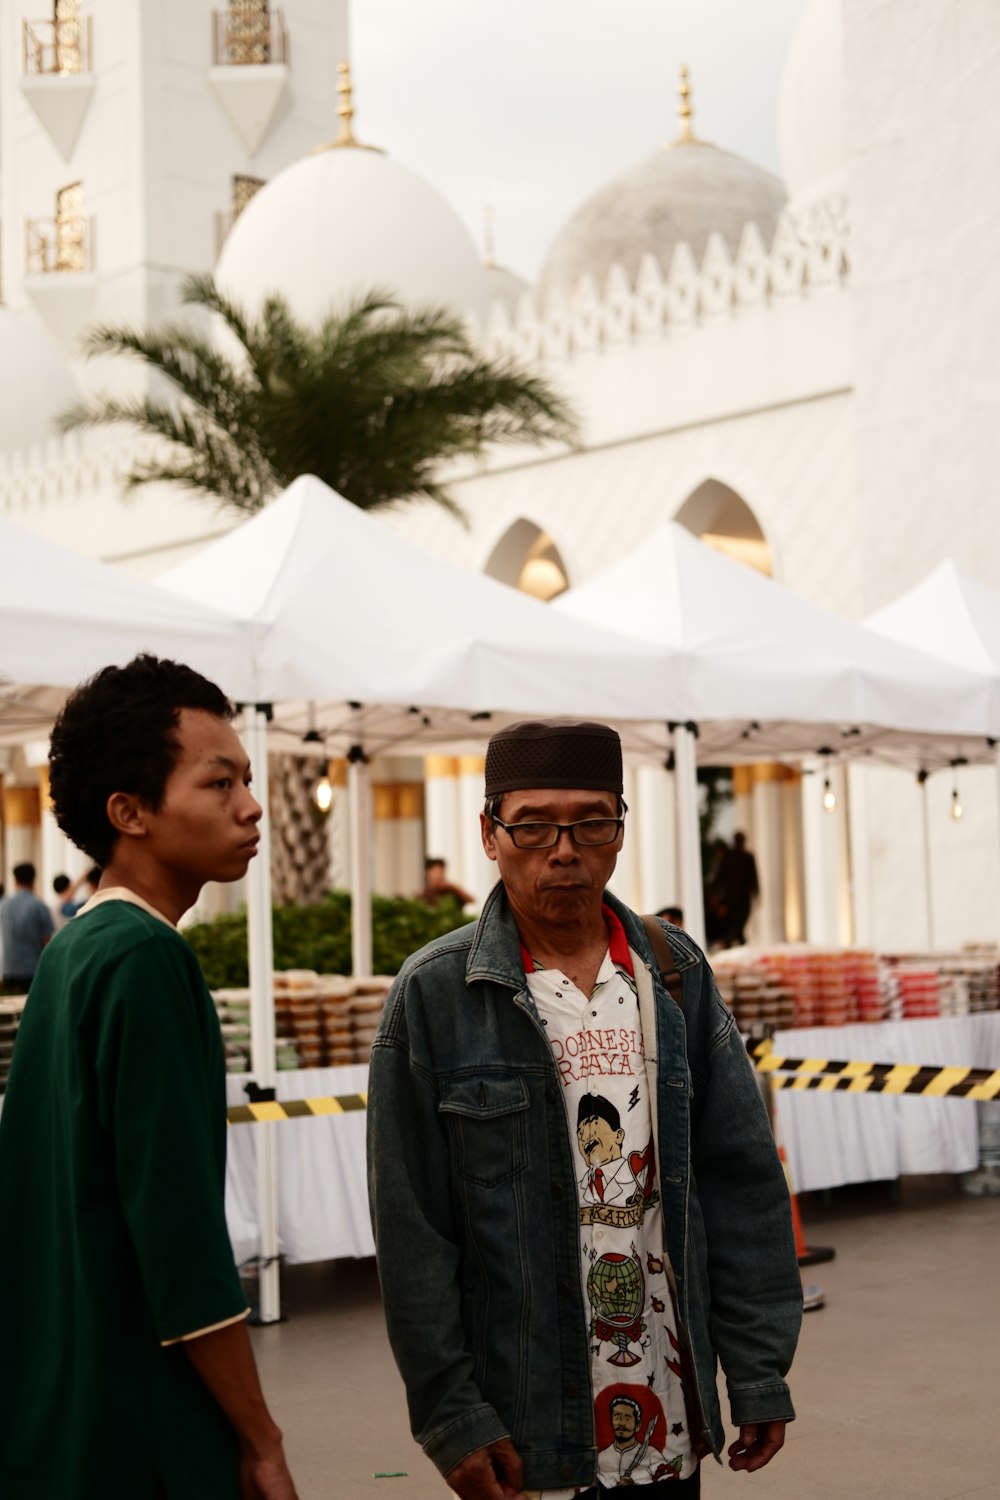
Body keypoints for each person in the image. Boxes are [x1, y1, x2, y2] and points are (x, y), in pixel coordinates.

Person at [368, 719, 801, 1500]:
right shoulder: (435, 995)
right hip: (526, 1427)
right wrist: (453, 1415)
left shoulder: (673, 975)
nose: (563, 850)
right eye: (532, 826)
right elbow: (412, 1232)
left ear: (620, 831)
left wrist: (758, 1366)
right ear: (489, 835)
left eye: (591, 822)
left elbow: (739, 1181)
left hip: (670, 1422)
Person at [0, 655, 298, 1500]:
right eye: (219, 783)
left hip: (59, 1414)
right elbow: (178, 1237)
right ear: (129, 812)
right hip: (140, 1425)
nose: (251, 805)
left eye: (247, 778)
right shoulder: (143, 958)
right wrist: (261, 1437)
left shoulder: (75, 950)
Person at [0, 861, 54, 992]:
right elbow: (47, 942)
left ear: (15, 880)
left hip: (9, 969)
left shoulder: (4, 905)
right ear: (34, 879)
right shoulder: (39, 906)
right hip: (32, 970)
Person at [711, 832, 759, 947]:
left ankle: (734, 941)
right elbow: (719, 876)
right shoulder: (731, 857)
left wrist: (756, 891)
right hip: (734, 897)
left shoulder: (746, 857)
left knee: (739, 922)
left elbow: (753, 876)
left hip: (738, 896)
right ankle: (734, 941)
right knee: (735, 922)